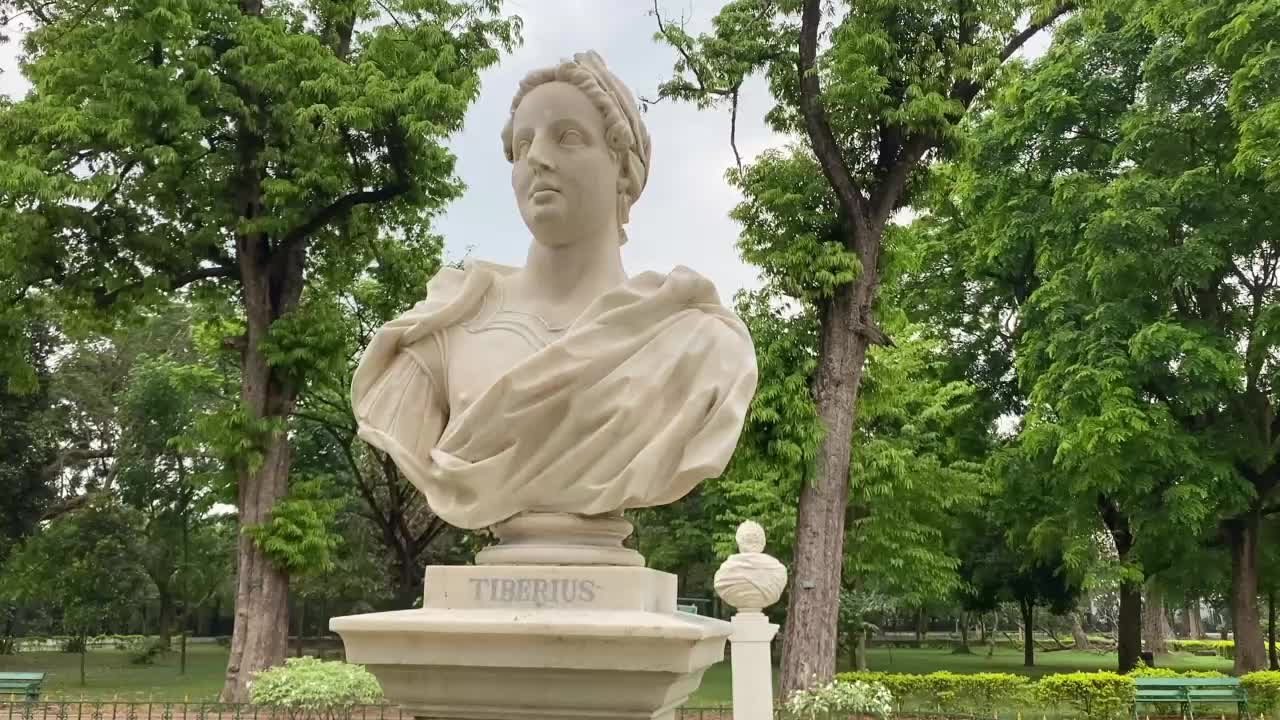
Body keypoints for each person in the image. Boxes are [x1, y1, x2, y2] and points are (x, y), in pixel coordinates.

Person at [350, 50, 758, 533]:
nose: (538, 158)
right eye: (523, 146)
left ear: (624, 170)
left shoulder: (696, 344)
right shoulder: (443, 329)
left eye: (568, 137)